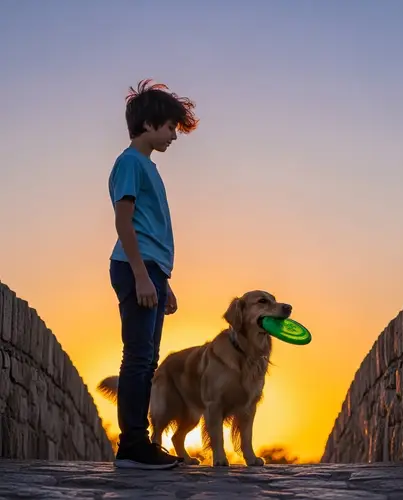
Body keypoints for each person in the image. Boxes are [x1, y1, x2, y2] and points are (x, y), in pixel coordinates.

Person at [107, 79, 199, 469]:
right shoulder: (129, 163)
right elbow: (124, 223)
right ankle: (132, 445)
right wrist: (143, 277)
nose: (174, 137)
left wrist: (163, 281)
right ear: (148, 124)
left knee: (149, 358)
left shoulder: (147, 167)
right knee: (139, 357)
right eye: (170, 128)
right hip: (135, 267)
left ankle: (139, 444)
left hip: (151, 270)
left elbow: (148, 227)